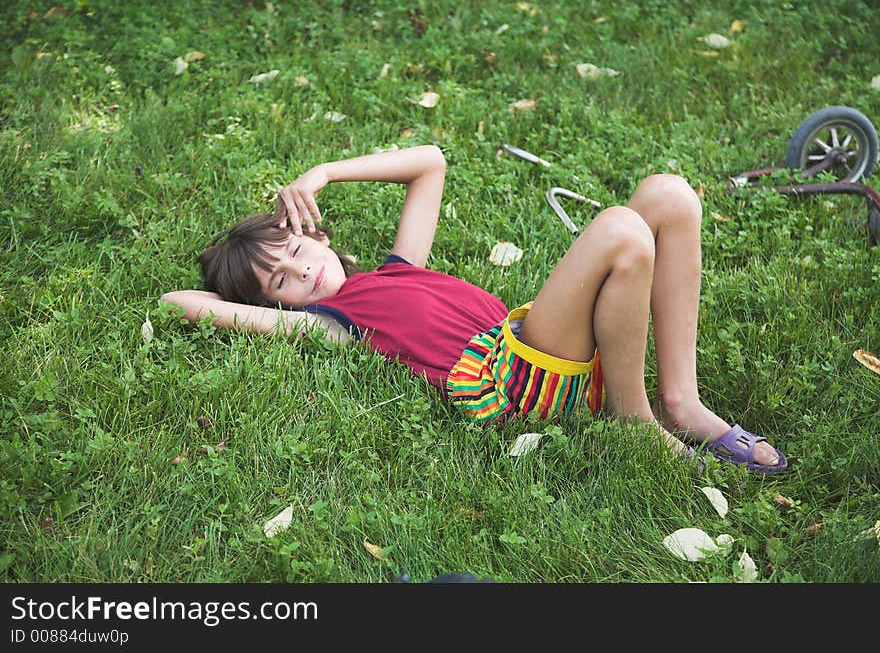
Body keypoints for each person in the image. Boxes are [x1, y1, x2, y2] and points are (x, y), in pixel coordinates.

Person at [161, 145, 787, 473]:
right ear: (280, 307)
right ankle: (634, 417)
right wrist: (233, 299)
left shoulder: (398, 267)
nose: (301, 270)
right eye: (281, 283)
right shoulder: (335, 325)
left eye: (295, 249)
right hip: (519, 380)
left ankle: (680, 401)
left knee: (670, 197)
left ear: (317, 232)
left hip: (545, 345)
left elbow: (429, 164)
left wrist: (323, 173)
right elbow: (178, 301)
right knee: (623, 229)